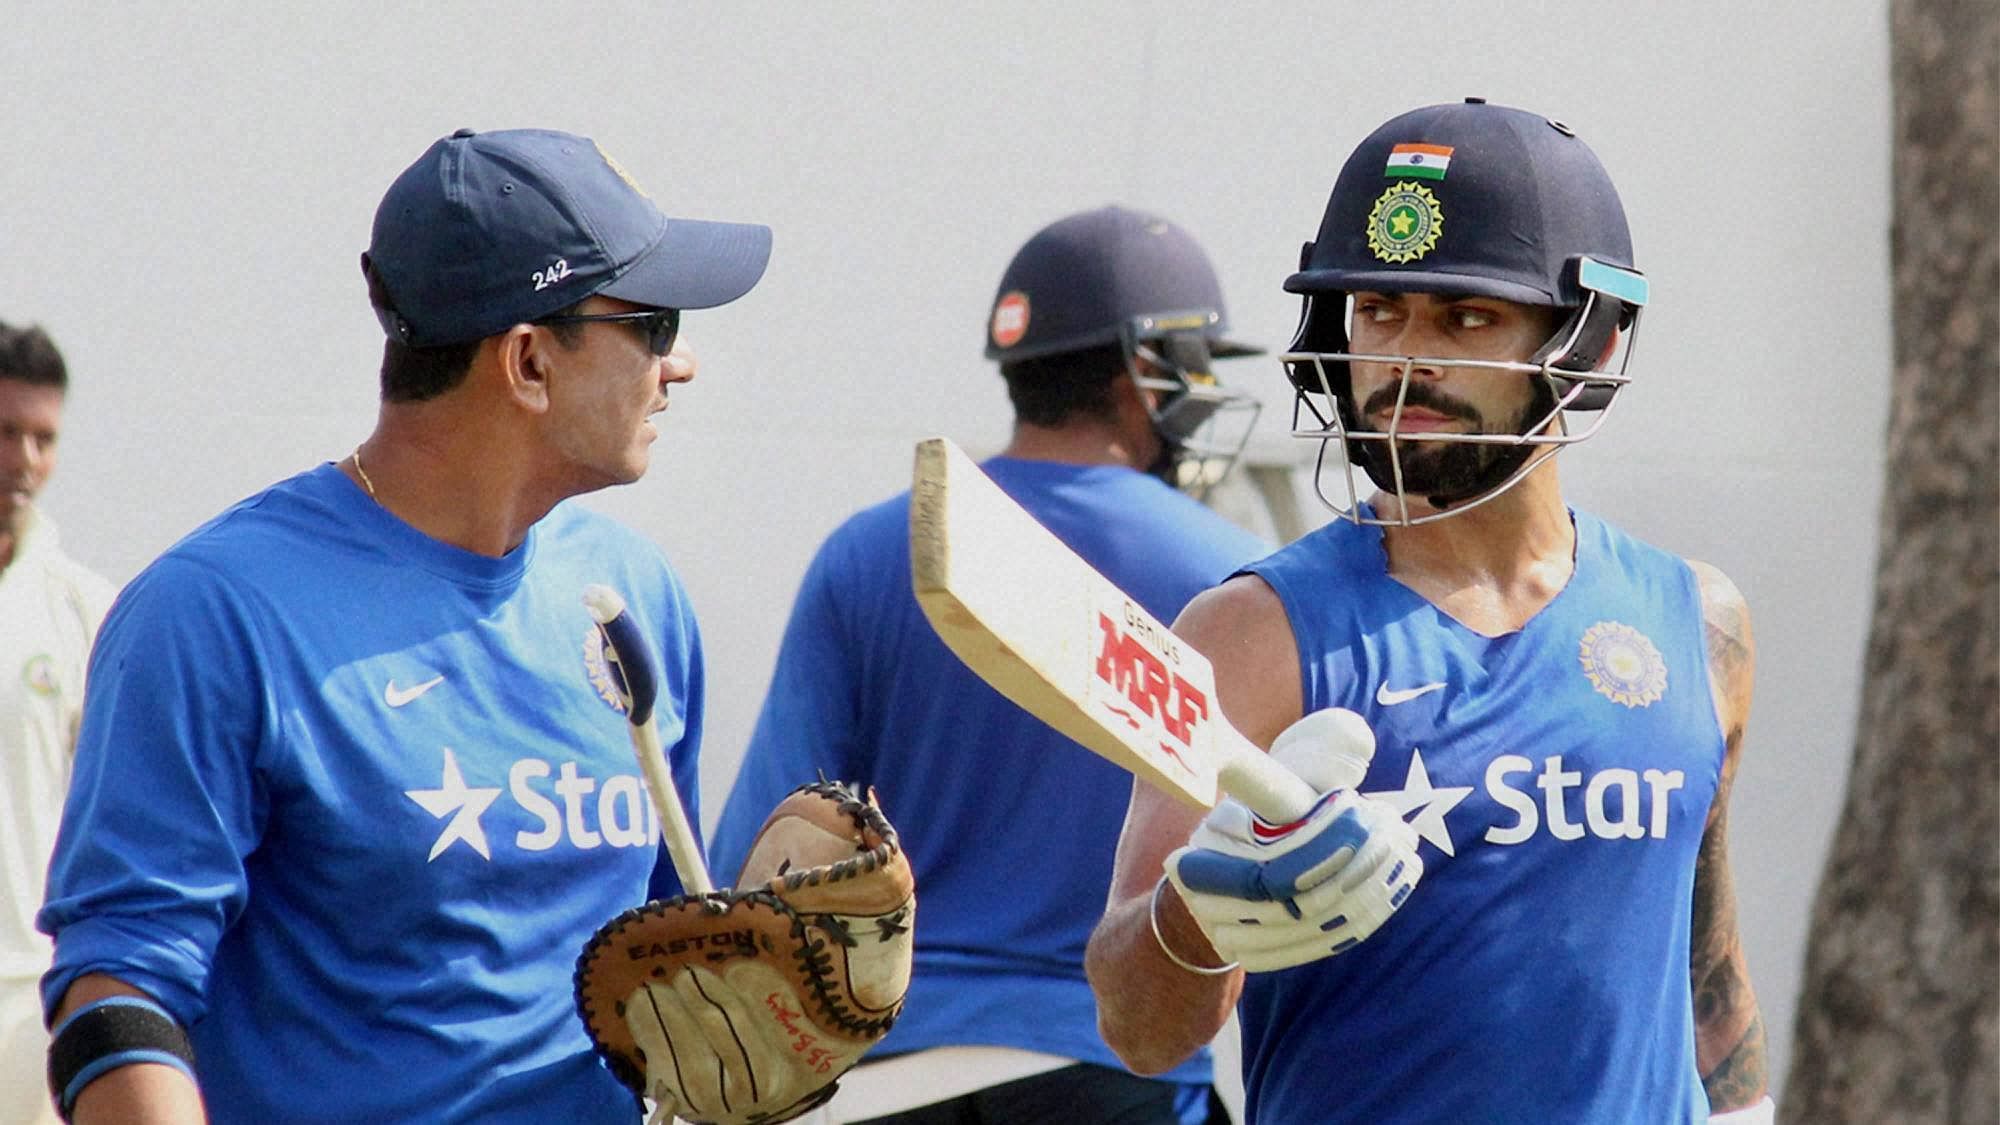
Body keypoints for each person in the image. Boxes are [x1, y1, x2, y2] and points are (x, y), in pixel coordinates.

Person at [36, 128, 771, 1125]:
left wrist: (764, 1006)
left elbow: (652, 960)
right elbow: (118, 993)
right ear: (527, 362)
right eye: (652, 322)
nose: (675, 365)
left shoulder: (633, 594)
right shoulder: (214, 612)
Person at [1084, 98, 1774, 1124]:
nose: (1406, 356)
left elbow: (1702, 956)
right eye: (1376, 310)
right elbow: (1139, 1034)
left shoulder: (1696, 621)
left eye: (1463, 316)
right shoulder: (1250, 632)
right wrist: (1200, 912)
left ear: (1585, 339)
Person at [708, 205, 1271, 1125]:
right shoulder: (1229, 577)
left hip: (879, 1075)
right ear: (1145, 371)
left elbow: (767, 847)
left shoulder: (872, 548)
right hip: (1111, 1070)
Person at [0, 322, 117, 1125]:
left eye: (44, 438)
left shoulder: (80, 608)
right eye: (7, 433)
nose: (27, 461)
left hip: (27, 989)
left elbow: (111, 811)